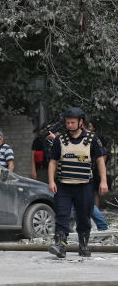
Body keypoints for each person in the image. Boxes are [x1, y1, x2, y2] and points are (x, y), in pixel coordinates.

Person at [47, 107, 109, 258]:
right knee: (61, 214)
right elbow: (53, 162)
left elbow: (100, 160)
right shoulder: (60, 140)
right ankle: (60, 245)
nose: (69, 125)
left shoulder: (92, 139)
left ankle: (83, 244)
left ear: (81, 122)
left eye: (72, 122)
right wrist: (51, 181)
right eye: (67, 123)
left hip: (84, 185)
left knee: (83, 215)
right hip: (63, 185)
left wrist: (103, 181)